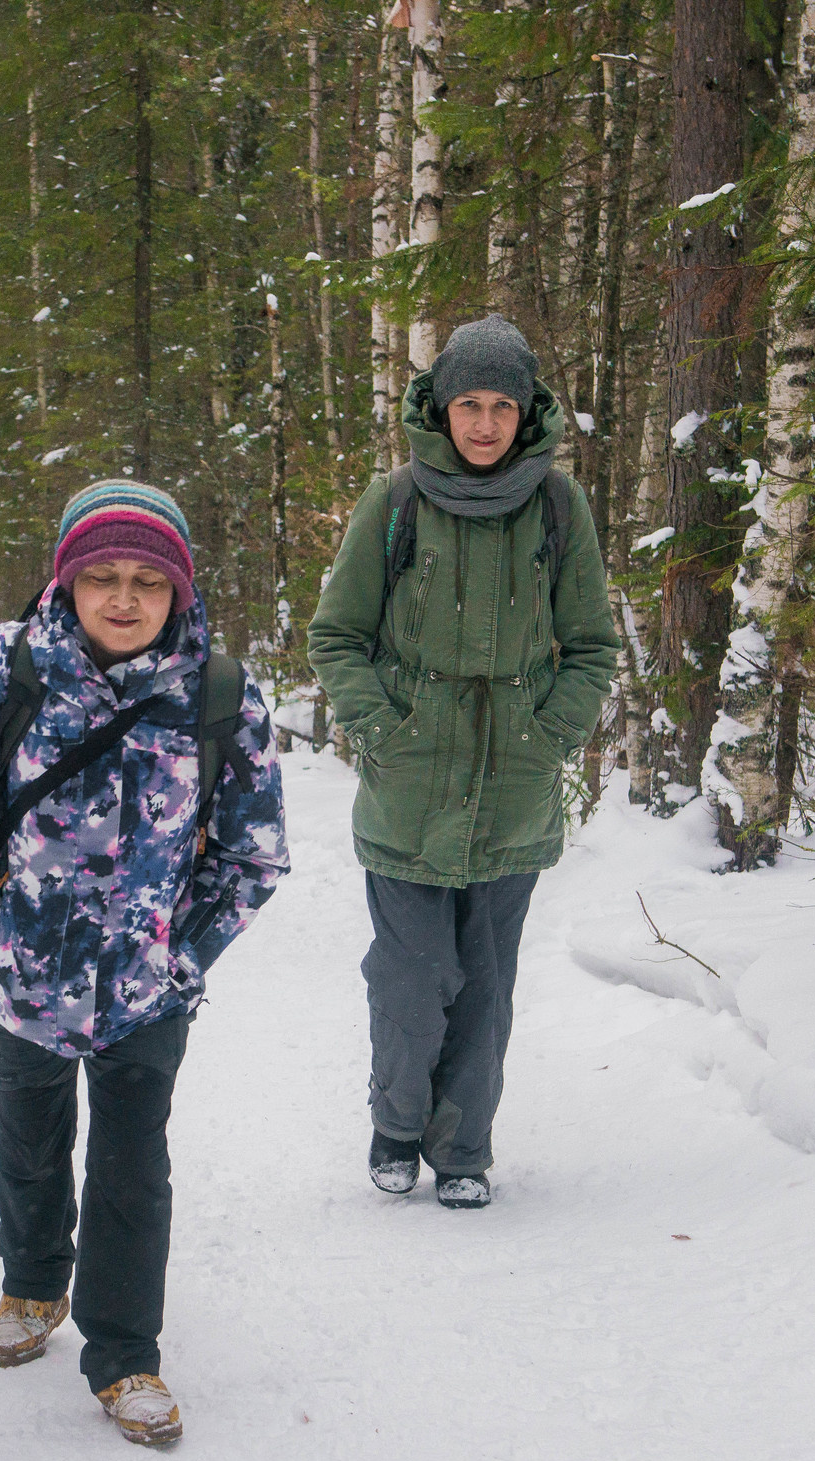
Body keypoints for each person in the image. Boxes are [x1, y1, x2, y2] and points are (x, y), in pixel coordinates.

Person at [0, 480, 288, 1447]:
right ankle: (32, 1282)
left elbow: (254, 852)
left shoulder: (221, 693)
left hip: (146, 991)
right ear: (66, 582)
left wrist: (182, 953)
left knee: (131, 1163)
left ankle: (124, 1350)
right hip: (14, 980)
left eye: (148, 579)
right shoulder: (10, 668)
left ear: (179, 592)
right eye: (101, 575)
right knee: (28, 1137)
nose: (123, 596)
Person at [306, 316, 618, 1210]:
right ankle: (396, 1127)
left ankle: (466, 1149)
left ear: (528, 414)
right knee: (411, 977)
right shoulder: (396, 500)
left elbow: (592, 645)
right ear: (442, 410)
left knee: (484, 985)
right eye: (469, 405)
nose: (485, 424)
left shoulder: (560, 508)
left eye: (502, 406)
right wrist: (383, 729)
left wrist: (548, 733)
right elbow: (337, 635)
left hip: (513, 791)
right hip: (410, 787)